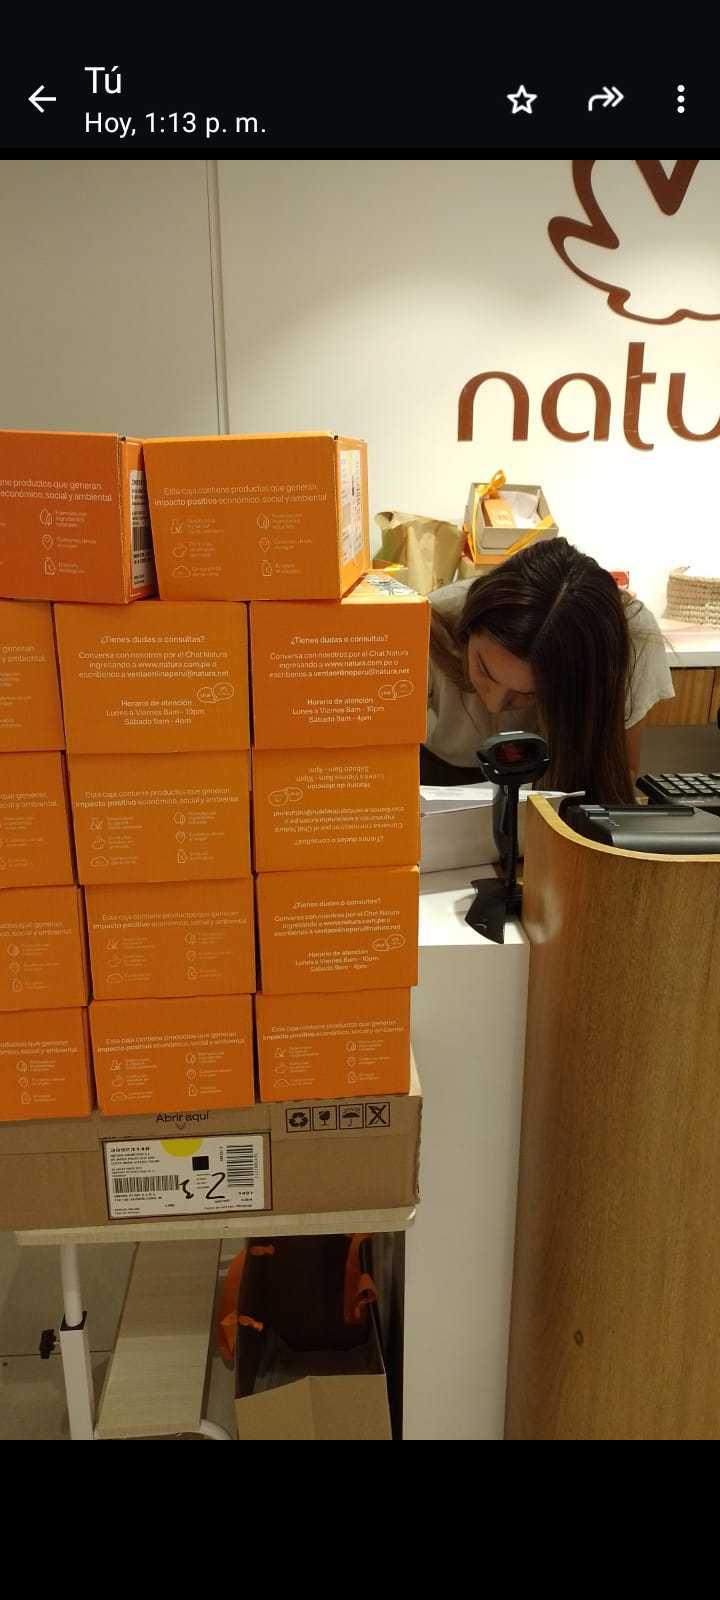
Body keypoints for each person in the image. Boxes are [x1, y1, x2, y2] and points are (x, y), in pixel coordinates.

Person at [424, 537, 674, 802]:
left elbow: (617, 774)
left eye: (529, 694)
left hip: (555, 773)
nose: (494, 705)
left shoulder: (630, 635)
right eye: (483, 669)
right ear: (467, 628)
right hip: (439, 773)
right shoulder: (429, 623)